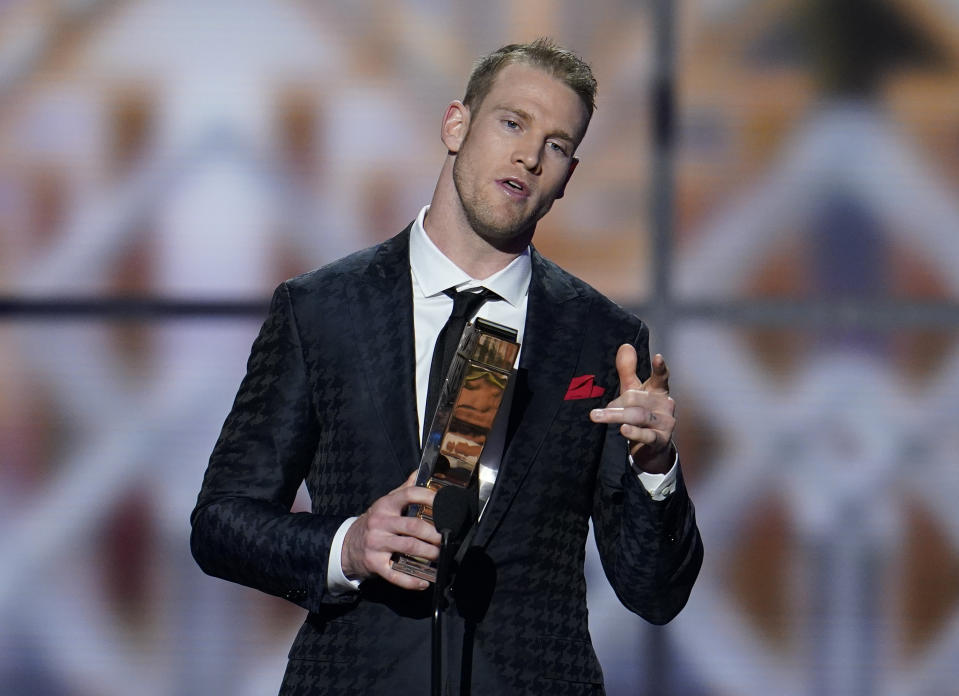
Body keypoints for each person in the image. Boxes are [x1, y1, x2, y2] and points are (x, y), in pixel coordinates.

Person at [191, 38, 703, 695]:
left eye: (555, 144)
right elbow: (220, 524)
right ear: (455, 124)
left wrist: (654, 468)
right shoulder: (320, 310)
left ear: (567, 177)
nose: (527, 154)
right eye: (512, 123)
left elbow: (654, 592)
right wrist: (347, 545)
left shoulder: (602, 339)